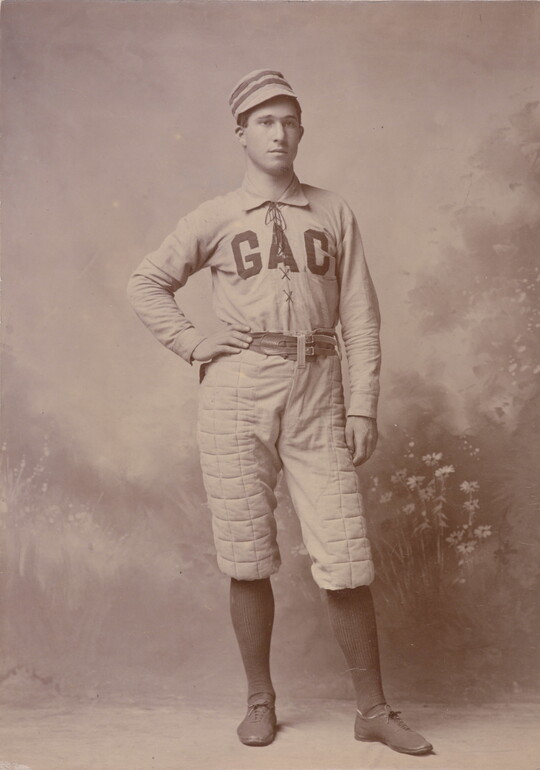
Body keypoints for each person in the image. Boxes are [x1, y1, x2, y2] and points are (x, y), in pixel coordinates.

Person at [127, 69, 433, 756]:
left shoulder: (333, 212)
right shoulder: (213, 215)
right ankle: (260, 701)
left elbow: (361, 315)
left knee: (347, 554)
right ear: (240, 134)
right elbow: (147, 283)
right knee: (246, 551)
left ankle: (373, 710)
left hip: (318, 389)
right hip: (236, 389)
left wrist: (363, 406)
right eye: (264, 121)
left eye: (289, 120)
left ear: (301, 130)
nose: (279, 132)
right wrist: (194, 344)